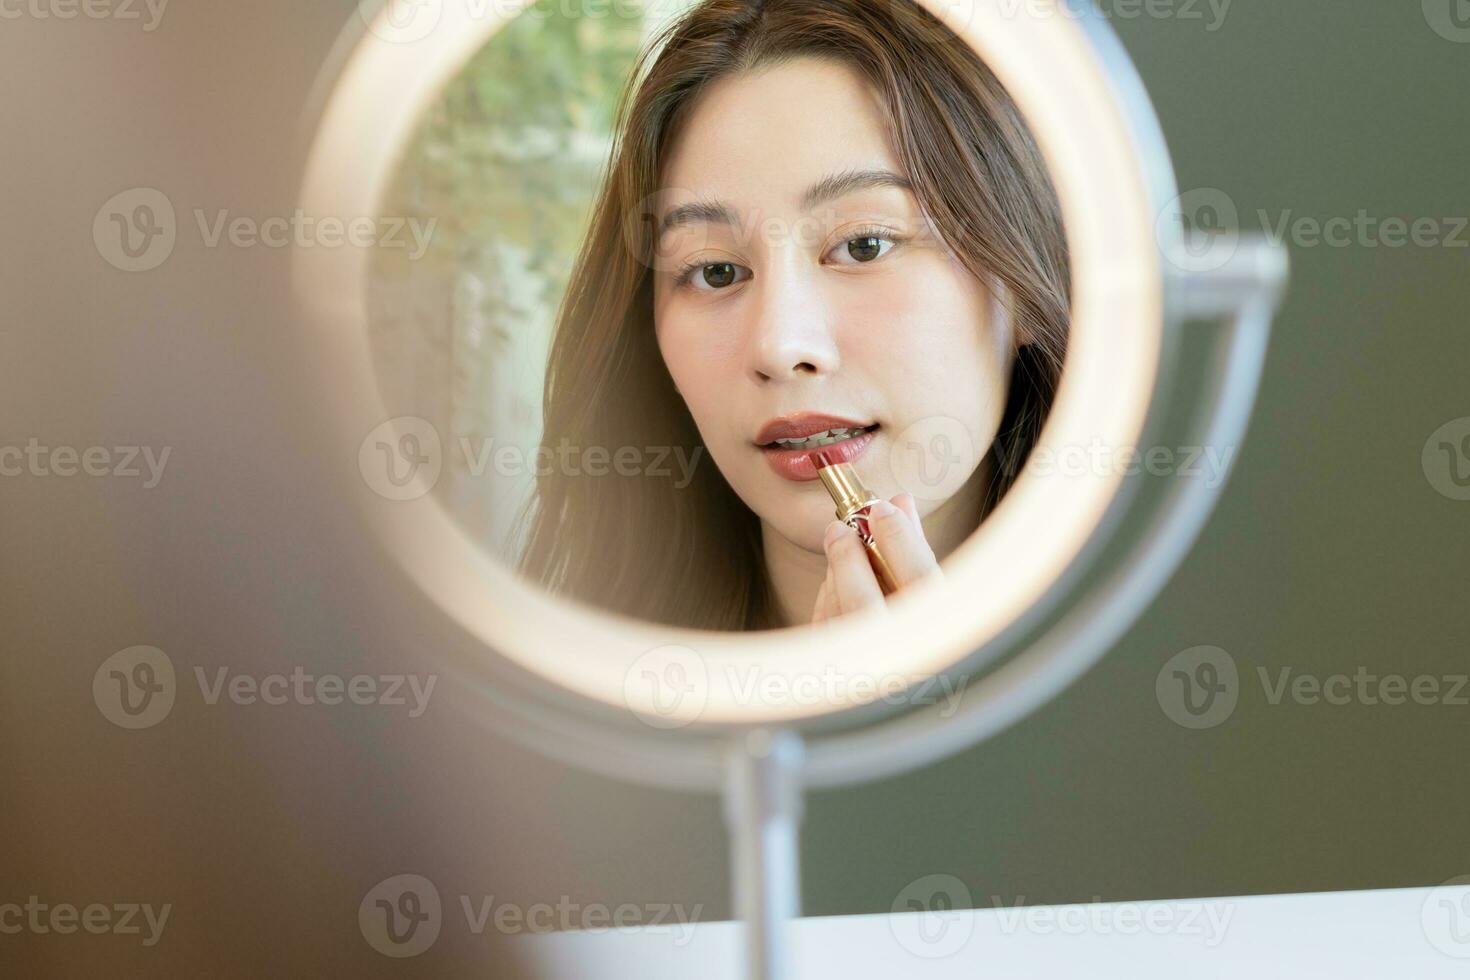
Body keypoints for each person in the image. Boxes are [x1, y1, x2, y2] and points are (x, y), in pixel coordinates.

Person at [516, 0, 1070, 632]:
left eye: (865, 245)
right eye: (715, 271)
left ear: (1023, 283)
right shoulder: (571, 690)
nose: (780, 344)